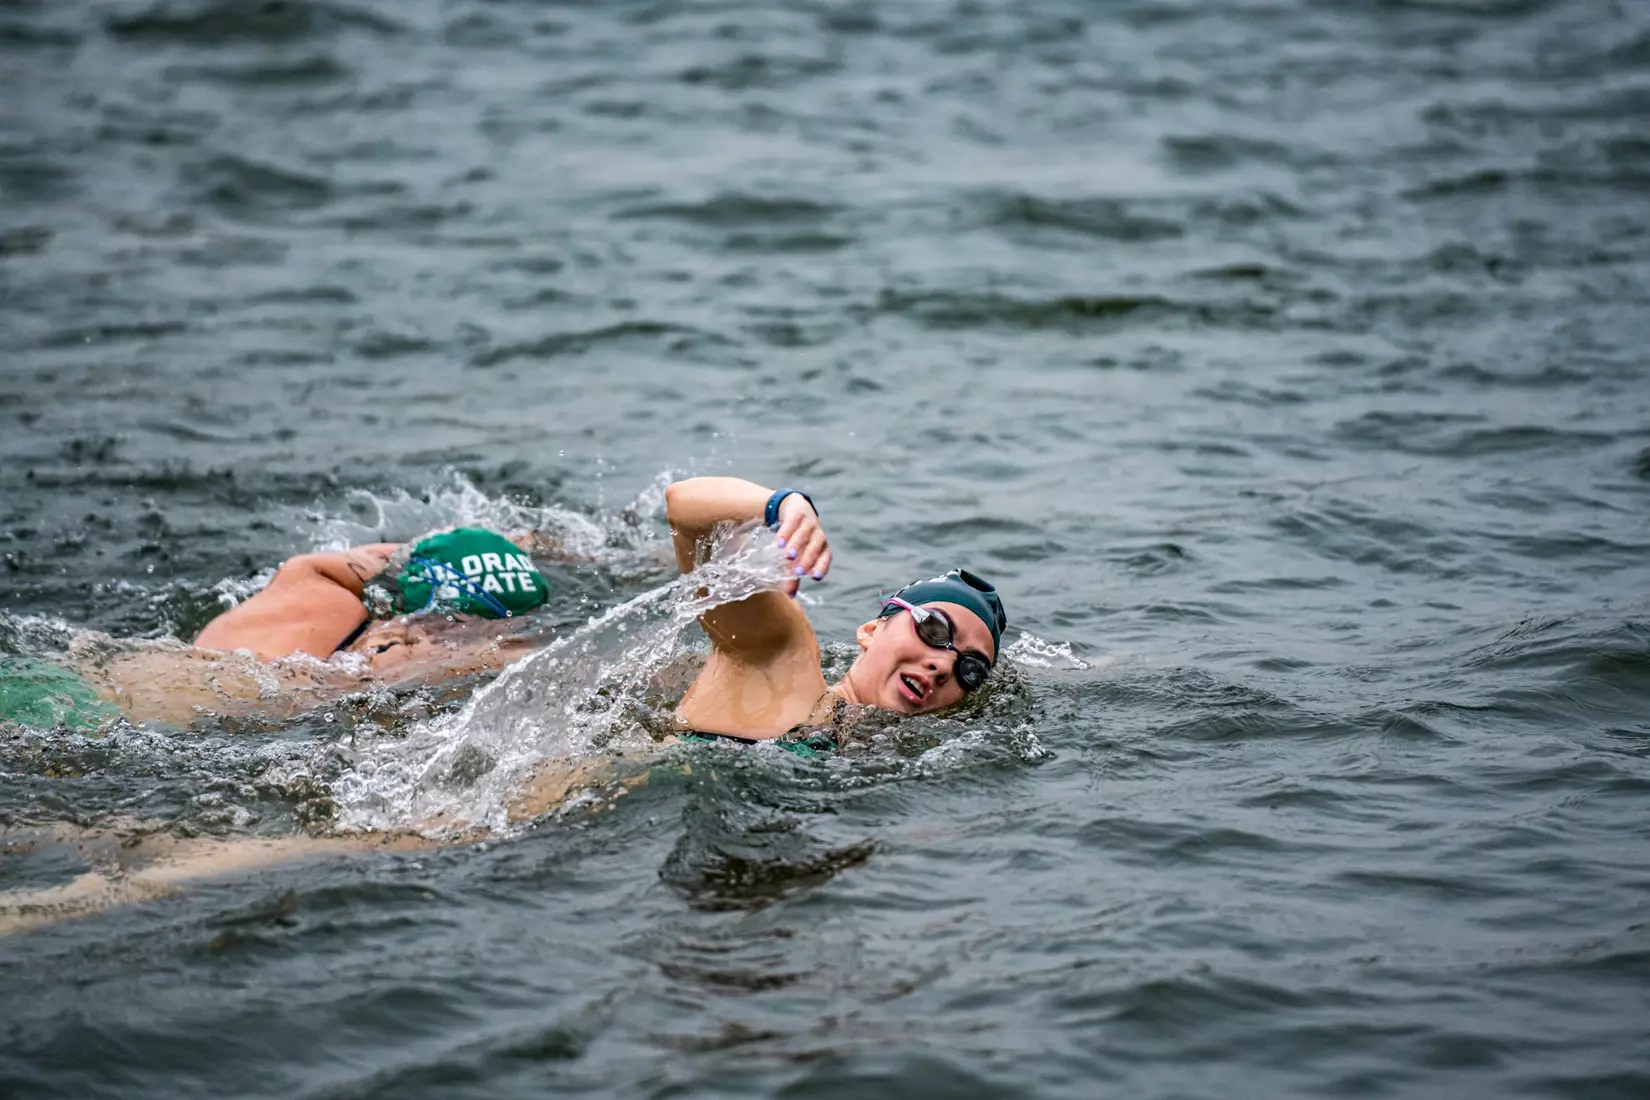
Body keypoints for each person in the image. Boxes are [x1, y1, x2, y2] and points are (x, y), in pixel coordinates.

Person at [1, 527, 564, 730]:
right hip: (115, 722)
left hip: (62, 677)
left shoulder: (308, 586)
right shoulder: (411, 651)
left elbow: (404, 555)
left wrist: (505, 541)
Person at [664, 477, 1008, 753]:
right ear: (871, 631)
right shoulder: (777, 659)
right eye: (934, 629)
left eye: (971, 669)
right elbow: (683, 507)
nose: (945, 666)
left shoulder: (887, 762)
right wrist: (783, 505)